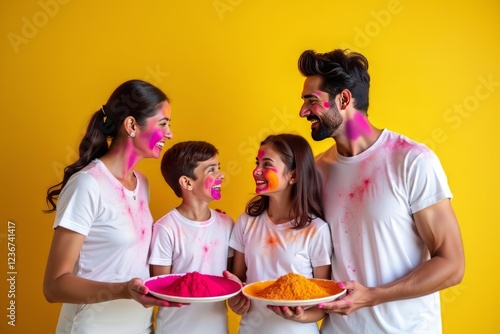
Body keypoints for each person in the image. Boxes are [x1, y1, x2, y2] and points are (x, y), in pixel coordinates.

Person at [274, 49, 465, 333]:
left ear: (344, 99)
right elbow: (308, 250)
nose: (302, 111)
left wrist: (374, 296)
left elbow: (452, 264)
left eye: (311, 101)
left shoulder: (411, 161)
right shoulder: (316, 170)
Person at [43, 79, 177, 334]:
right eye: (163, 124)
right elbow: (54, 286)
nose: (169, 133)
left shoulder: (142, 184)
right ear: (131, 125)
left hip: (139, 327)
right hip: (92, 327)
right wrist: (123, 290)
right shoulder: (87, 184)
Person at [227, 133, 333, 334]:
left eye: (267, 164)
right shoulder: (246, 221)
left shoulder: (316, 230)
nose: (256, 171)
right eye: (257, 163)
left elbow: (324, 303)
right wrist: (234, 298)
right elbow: (239, 280)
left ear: (293, 175)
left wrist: (302, 316)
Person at [149, 140, 234, 334]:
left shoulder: (227, 224)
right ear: (187, 182)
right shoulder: (166, 228)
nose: (221, 175)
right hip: (174, 328)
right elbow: (160, 286)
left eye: (218, 168)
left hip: (217, 328)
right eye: (211, 170)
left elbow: (230, 280)